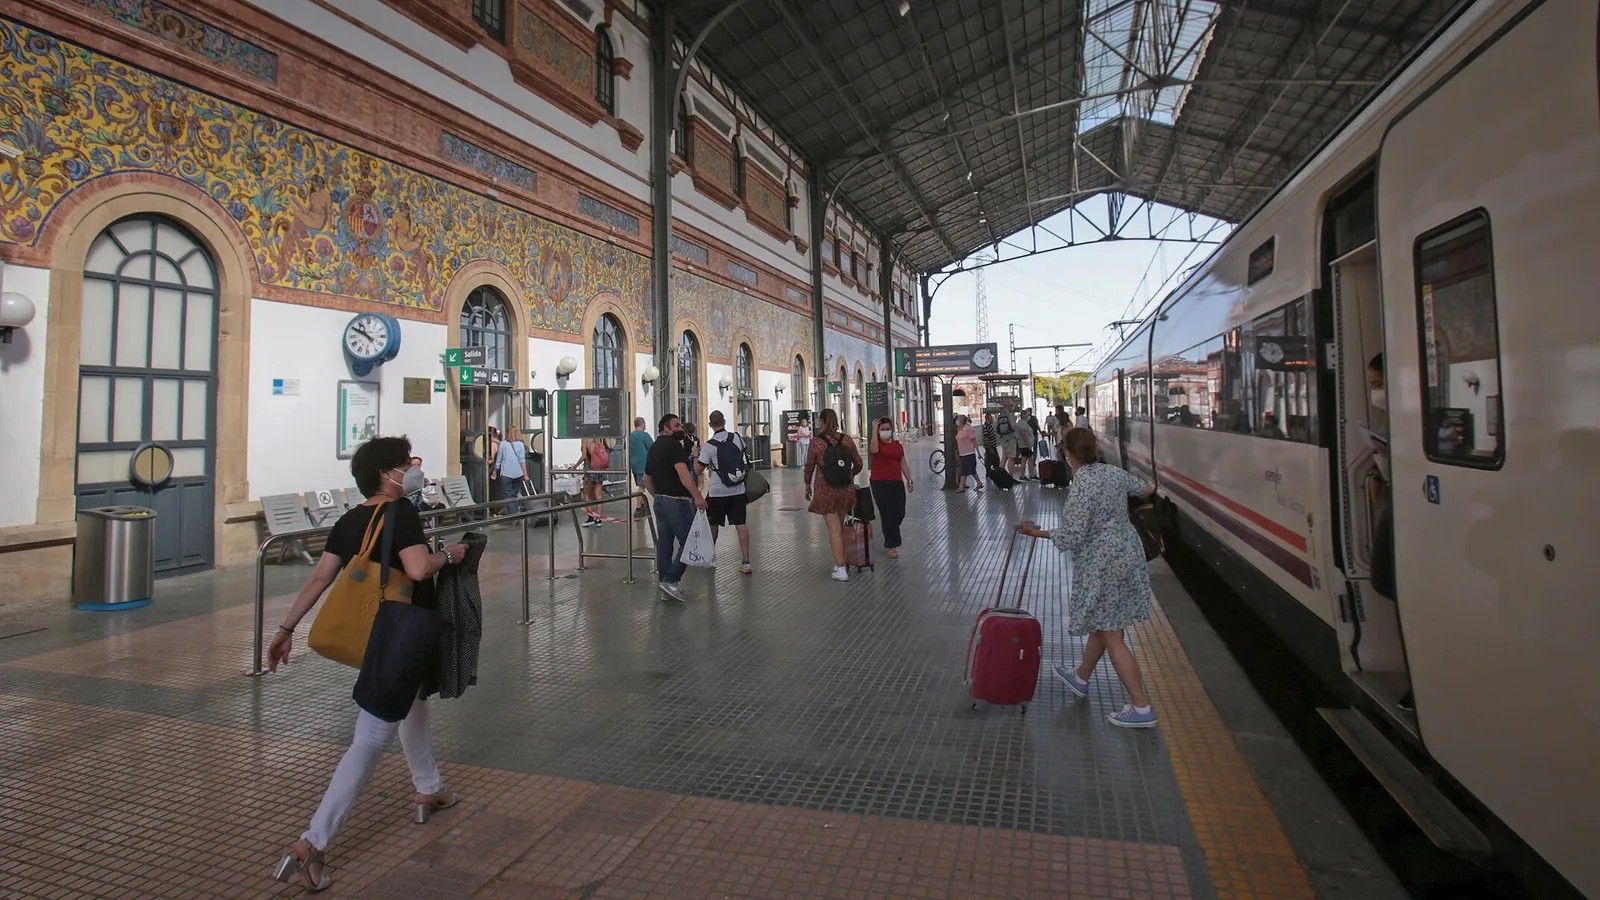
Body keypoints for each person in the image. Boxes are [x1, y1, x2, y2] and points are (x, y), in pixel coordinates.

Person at [268, 436, 468, 891]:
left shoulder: (350, 520)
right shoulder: (402, 514)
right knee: (371, 735)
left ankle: (429, 788)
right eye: (403, 464)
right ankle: (312, 844)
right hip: (400, 635)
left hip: (377, 634)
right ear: (386, 473)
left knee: (412, 704)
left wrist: (286, 628)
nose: (411, 469)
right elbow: (417, 569)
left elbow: (321, 576)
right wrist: (449, 555)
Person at [1016, 427, 1159, 729]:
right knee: (1103, 623)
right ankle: (1081, 677)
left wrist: (1036, 531)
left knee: (1112, 635)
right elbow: (1146, 488)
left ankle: (1141, 706)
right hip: (1126, 553)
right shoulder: (1112, 473)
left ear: (1068, 454)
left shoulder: (1082, 484)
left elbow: (1072, 536)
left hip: (1102, 562)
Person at [642, 414, 706, 602]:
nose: (680, 429)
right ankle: (671, 579)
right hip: (676, 503)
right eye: (676, 426)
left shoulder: (653, 447)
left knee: (665, 543)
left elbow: (646, 479)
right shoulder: (673, 446)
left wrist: (658, 497)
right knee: (689, 541)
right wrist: (698, 496)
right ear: (665, 428)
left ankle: (665, 584)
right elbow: (684, 474)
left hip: (661, 502)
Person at [803, 408, 863, 582]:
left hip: (826, 491)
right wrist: (850, 474)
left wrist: (807, 485)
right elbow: (858, 462)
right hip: (845, 490)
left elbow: (809, 466)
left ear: (821, 422)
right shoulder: (846, 440)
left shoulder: (816, 442)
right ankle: (840, 561)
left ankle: (841, 569)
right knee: (841, 527)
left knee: (834, 530)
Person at [695, 410, 753, 574]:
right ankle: (746, 562)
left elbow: (698, 470)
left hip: (717, 492)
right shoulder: (736, 437)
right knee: (741, 524)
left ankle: (710, 559)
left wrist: (695, 456)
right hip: (738, 489)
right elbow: (744, 455)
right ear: (725, 421)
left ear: (710, 424)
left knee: (713, 525)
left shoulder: (709, 445)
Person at [868, 416, 914, 558]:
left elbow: (902, 462)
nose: (886, 431)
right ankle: (891, 545)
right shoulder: (877, 444)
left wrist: (909, 479)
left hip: (896, 482)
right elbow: (873, 450)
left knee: (900, 512)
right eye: (883, 429)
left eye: (888, 429)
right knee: (888, 514)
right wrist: (874, 429)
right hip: (879, 483)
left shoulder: (897, 445)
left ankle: (891, 533)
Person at [492, 426, 524, 517]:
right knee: (513, 494)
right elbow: (522, 461)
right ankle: (511, 513)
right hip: (518, 474)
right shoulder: (521, 445)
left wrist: (495, 470)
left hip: (506, 474)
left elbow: (499, 459)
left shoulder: (503, 444)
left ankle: (514, 515)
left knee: (508, 495)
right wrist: (525, 473)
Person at [578, 437, 608, 526]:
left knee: (586, 495)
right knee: (598, 494)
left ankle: (590, 518)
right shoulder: (599, 438)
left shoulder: (585, 439)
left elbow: (584, 456)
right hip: (600, 468)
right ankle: (598, 520)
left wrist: (575, 466)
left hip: (590, 468)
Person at [628, 417, 653, 519]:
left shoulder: (630, 435)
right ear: (642, 424)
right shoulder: (644, 435)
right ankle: (638, 508)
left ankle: (642, 506)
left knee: (641, 484)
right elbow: (652, 447)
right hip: (644, 464)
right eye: (645, 423)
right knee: (643, 486)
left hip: (634, 464)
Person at [954, 414, 981, 492]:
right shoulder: (959, 429)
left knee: (964, 471)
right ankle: (979, 483)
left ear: (962, 421)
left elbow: (974, 440)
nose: (957, 420)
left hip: (969, 453)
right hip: (962, 453)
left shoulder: (968, 429)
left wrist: (978, 452)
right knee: (972, 470)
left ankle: (961, 487)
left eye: (959, 419)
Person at [995, 407, 1019, 476]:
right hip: (1010, 439)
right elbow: (1013, 427)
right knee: (1011, 458)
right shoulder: (1010, 415)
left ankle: (1000, 475)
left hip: (1003, 439)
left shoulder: (1000, 416)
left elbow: (997, 429)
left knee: (1004, 458)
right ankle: (1010, 476)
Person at [1015, 411, 1038, 480]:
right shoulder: (1022, 424)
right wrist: (1029, 445)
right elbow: (1024, 434)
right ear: (1024, 416)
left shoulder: (1022, 423)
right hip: (1025, 445)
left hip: (1024, 445)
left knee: (1029, 460)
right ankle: (1024, 475)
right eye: (1028, 415)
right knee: (1025, 460)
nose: (1029, 417)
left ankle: (1031, 474)